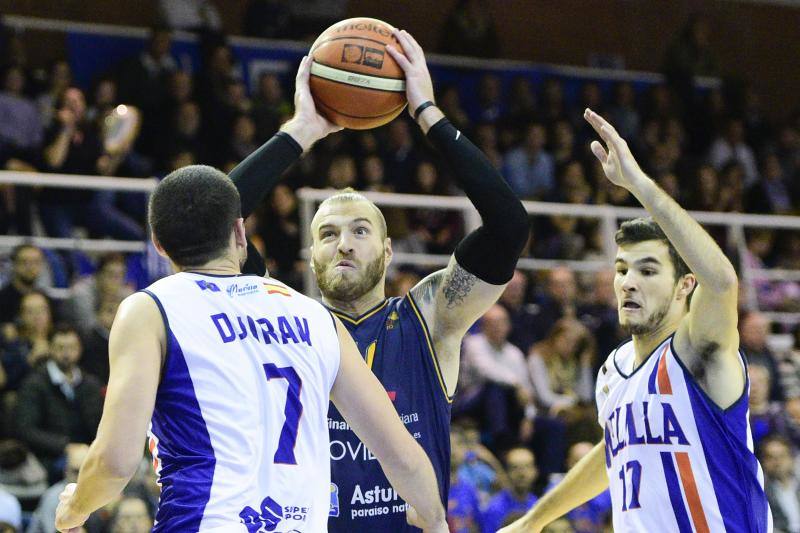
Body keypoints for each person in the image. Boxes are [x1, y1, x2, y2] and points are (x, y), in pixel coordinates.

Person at [216, 30, 528, 532]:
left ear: (387, 250)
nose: (344, 244)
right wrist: (299, 131)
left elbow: (509, 225)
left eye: (360, 231)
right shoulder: (281, 317)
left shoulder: (429, 316)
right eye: (329, 234)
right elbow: (209, 222)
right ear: (311, 252)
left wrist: (427, 113)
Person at [54, 165, 447, 532]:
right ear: (240, 234)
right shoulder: (314, 316)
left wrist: (75, 506)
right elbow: (403, 455)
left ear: (159, 244)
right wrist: (433, 518)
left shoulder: (151, 308)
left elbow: (115, 462)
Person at [500, 109, 771, 532]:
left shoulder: (697, 351)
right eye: (622, 268)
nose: (627, 282)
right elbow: (613, 452)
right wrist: (536, 519)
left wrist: (639, 185)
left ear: (685, 285)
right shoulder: (612, 370)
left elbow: (721, 283)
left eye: (647, 271)